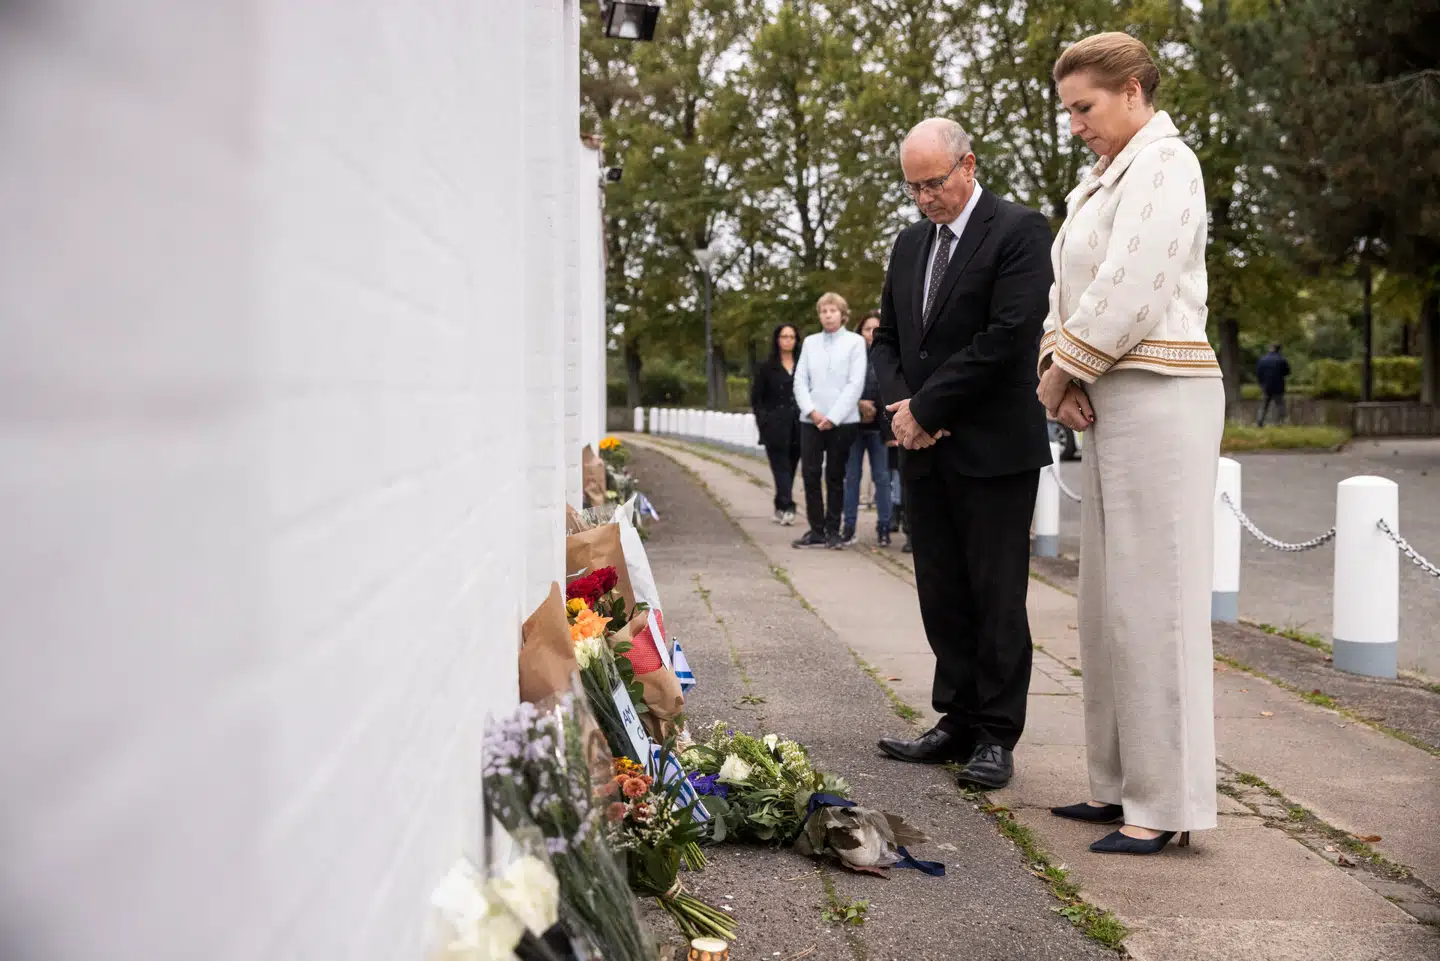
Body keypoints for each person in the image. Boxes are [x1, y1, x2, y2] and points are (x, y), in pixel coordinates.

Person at [1036, 32, 1224, 856]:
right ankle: (1117, 785)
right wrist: (1061, 363)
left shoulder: (1167, 164)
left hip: (1164, 392)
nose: (1075, 123)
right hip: (1109, 394)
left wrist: (1057, 375)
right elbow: (1066, 290)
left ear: (1135, 89)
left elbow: (1134, 284)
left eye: (1086, 106)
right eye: (1069, 109)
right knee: (1109, 603)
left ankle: (1167, 800)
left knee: (1158, 604)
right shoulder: (1098, 184)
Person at [870, 117, 1055, 790]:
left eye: (934, 183)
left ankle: (996, 734)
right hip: (923, 447)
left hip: (994, 448)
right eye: (913, 187)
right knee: (941, 589)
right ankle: (956, 717)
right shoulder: (909, 244)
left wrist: (929, 409)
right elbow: (888, 340)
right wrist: (902, 410)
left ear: (968, 165)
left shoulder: (1020, 231)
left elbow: (1008, 336)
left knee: (995, 593)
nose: (925, 199)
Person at [792, 292, 867, 550]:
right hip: (810, 420)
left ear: (842, 314)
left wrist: (833, 417)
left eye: (832, 310)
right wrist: (812, 412)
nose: (828, 315)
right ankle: (816, 530)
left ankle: (834, 530)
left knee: (835, 476)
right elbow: (800, 380)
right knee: (811, 474)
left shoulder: (855, 343)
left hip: (843, 422)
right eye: (824, 311)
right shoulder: (810, 343)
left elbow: (855, 383)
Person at [842, 313, 895, 547]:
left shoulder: (887, 356)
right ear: (859, 331)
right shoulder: (850, 356)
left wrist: (876, 409)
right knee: (852, 477)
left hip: (879, 428)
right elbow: (843, 386)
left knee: (882, 479)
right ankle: (849, 526)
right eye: (866, 329)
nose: (871, 334)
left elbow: (890, 389)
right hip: (853, 425)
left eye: (876, 329)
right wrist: (858, 404)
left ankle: (884, 527)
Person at [751, 323, 804, 525]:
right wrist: (764, 421)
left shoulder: (803, 364)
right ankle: (788, 506)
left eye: (792, 336)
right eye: (784, 336)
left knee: (790, 467)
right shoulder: (766, 368)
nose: (788, 340)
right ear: (777, 340)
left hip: (798, 426)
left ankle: (780, 504)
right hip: (775, 427)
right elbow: (757, 398)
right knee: (780, 467)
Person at [1256, 344, 1291, 426]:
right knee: (1280, 405)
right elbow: (1287, 372)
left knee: (1264, 405)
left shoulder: (1262, 359)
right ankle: (1281, 422)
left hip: (1266, 386)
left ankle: (1259, 422)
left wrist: (1261, 383)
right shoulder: (1282, 360)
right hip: (1278, 386)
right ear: (1279, 350)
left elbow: (1258, 373)